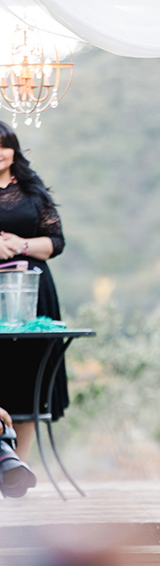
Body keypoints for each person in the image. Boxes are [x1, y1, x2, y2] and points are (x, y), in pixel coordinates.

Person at [0, 121, 68, 462]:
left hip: (32, 292)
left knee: (27, 375)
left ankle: (18, 468)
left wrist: (21, 244)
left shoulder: (32, 189)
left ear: (14, 149)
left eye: (5, 145)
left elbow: (57, 242)